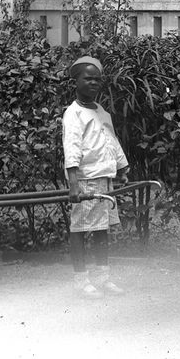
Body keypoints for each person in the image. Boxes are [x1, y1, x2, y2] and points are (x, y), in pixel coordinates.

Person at [63, 55, 130, 298]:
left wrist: (121, 168)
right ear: (76, 82)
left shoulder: (101, 111)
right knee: (80, 230)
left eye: (97, 80)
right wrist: (73, 185)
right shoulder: (74, 114)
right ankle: (81, 281)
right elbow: (71, 148)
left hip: (105, 179)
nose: (93, 83)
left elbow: (111, 140)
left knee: (102, 230)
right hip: (85, 179)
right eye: (87, 79)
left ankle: (102, 278)